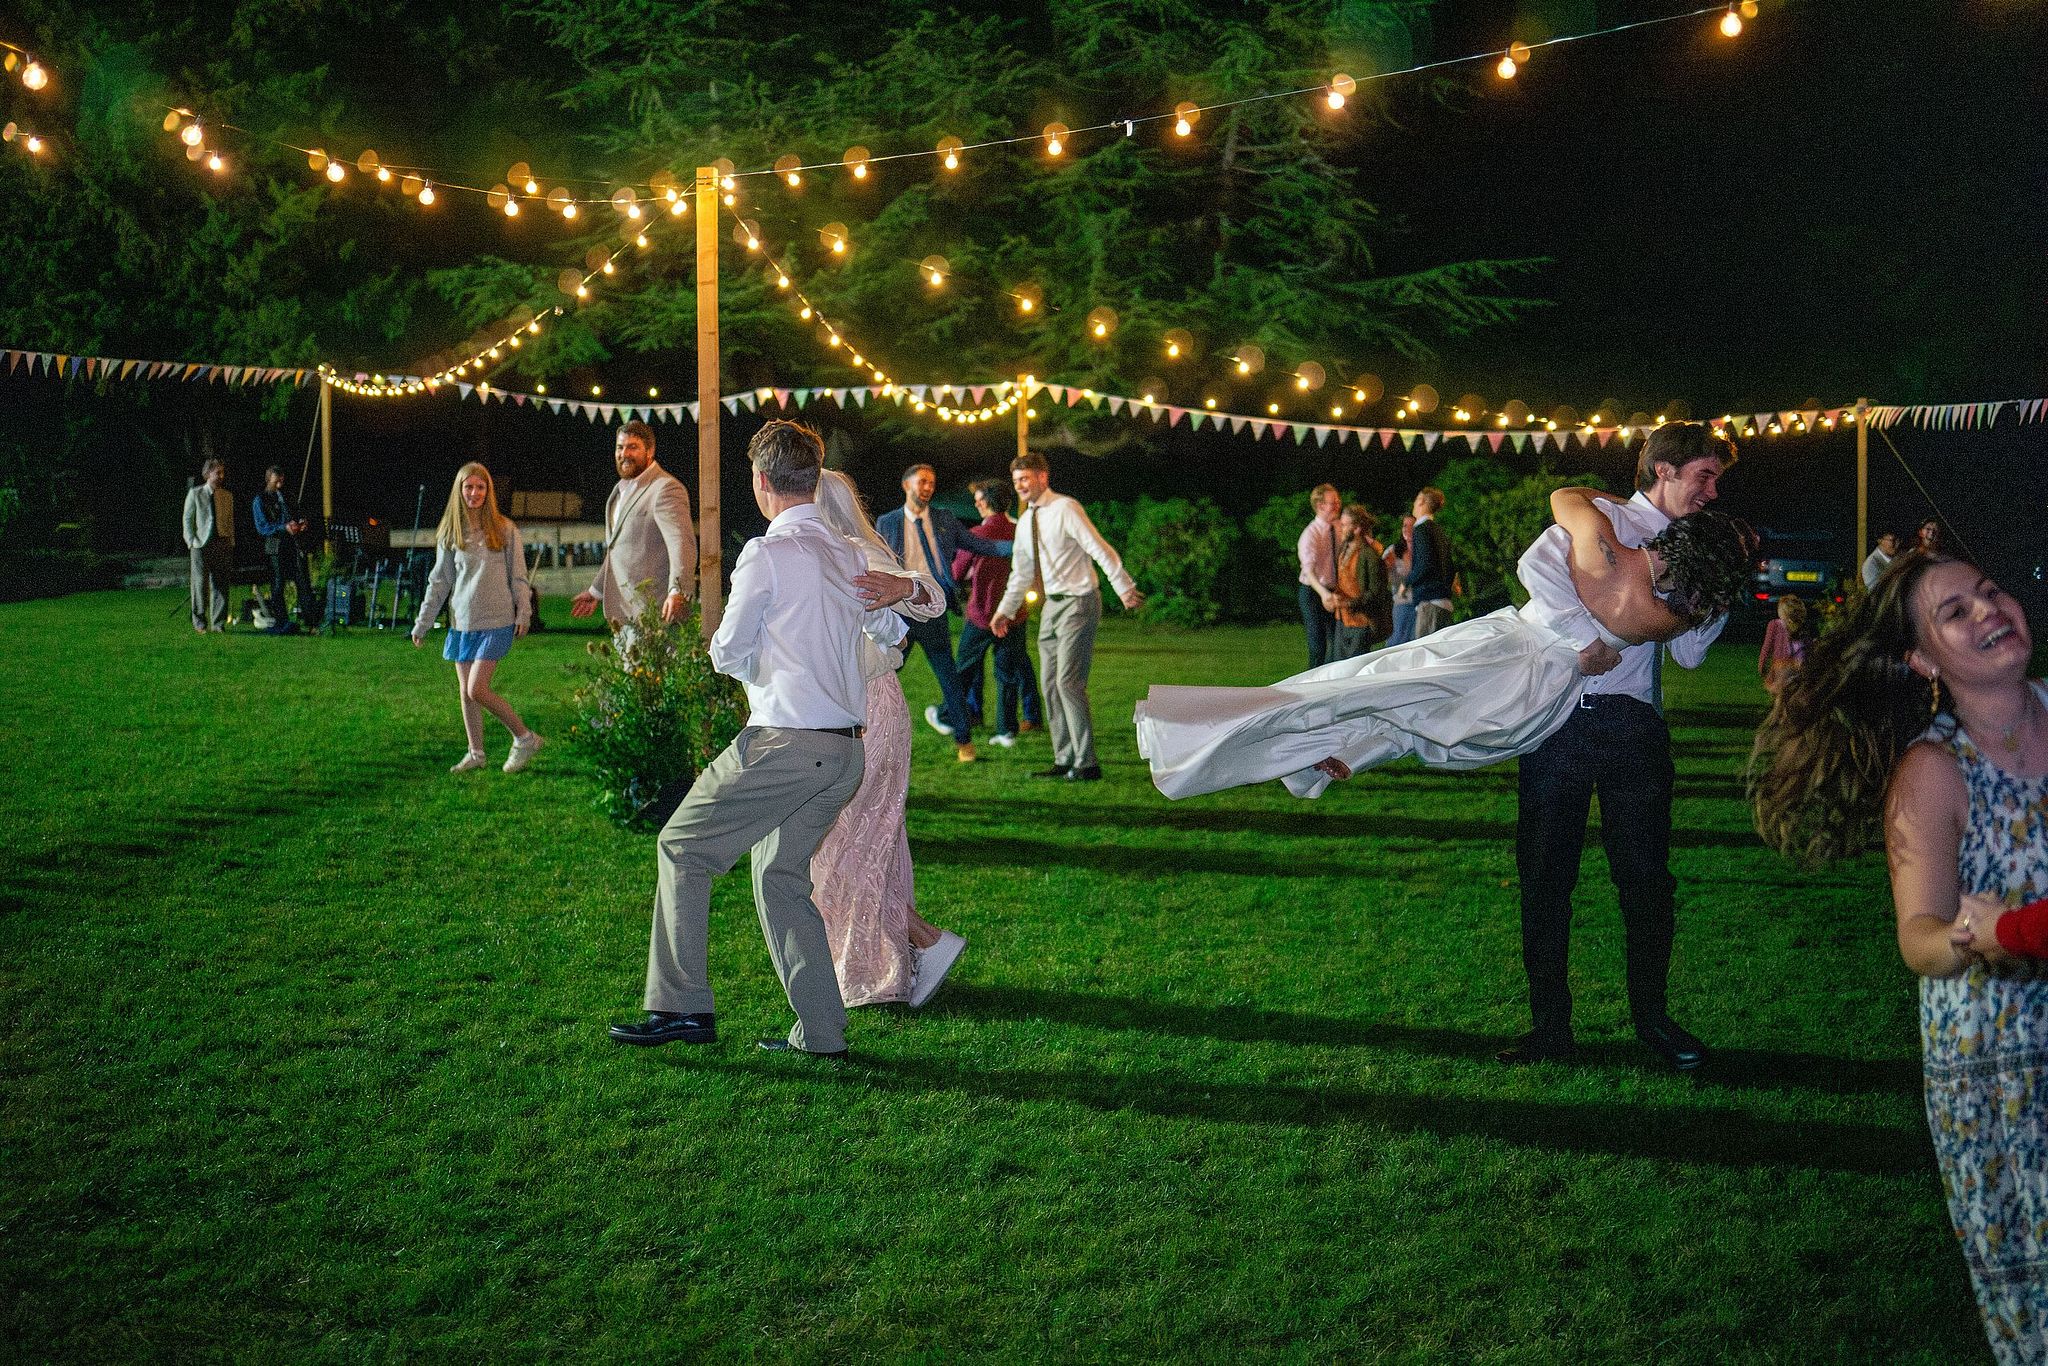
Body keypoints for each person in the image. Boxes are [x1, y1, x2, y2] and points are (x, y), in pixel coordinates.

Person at [1750, 551, 2048, 1361]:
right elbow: (1918, 936)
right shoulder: (1931, 771)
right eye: (1956, 612)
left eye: (1990, 591)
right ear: (1921, 660)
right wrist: (1971, 936)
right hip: (2004, 1069)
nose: (1989, 610)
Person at [607, 421, 916, 1061]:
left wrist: (765, 663)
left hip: (783, 742)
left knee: (681, 847)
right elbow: (890, 634)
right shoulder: (849, 554)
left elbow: (727, 651)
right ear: (813, 478)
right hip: (845, 752)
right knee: (780, 878)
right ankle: (822, 1033)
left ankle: (680, 1008)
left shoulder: (766, 553)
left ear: (761, 480)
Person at [1134, 487, 1752, 804]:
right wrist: (1587, 641)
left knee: (1404, 696)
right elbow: (1540, 565)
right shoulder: (1652, 589)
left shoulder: (1642, 580)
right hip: (1536, 682)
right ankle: (1331, 748)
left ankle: (1237, 734)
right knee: (1407, 698)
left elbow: (1543, 562)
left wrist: (1702, 610)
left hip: (1527, 669)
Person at [1502, 421, 1738, 1071]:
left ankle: (1653, 1021)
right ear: (1664, 470)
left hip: (1634, 728)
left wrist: (1717, 592)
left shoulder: (1694, 543)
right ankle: (1550, 1027)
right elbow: (1535, 569)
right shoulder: (1603, 519)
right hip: (1558, 722)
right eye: (1704, 476)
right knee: (1545, 877)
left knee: (1646, 881)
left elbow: (1689, 655)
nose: (1713, 492)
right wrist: (1585, 641)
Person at [810, 469, 968, 1009]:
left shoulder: (858, 551)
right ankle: (893, 959)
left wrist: (906, 587)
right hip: (833, 708)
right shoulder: (804, 554)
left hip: (870, 708)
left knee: (851, 839)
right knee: (852, 841)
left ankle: (903, 951)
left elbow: (932, 600)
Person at [990, 451, 1144, 782]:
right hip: (1051, 606)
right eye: (1016, 481)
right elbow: (1021, 572)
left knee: (1067, 681)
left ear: (1042, 477)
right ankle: (1064, 758)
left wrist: (1123, 587)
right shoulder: (1025, 521)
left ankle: (1087, 763)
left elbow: (1098, 548)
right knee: (1049, 684)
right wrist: (1004, 611)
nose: (1020, 486)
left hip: (1079, 601)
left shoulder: (1065, 508)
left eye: (1025, 478)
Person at [410, 462, 542, 775]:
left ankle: (525, 738)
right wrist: (423, 622)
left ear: (488, 491)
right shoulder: (450, 532)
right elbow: (439, 581)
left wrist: (523, 612)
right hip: (462, 622)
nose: (474, 493)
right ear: (459, 490)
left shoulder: (505, 529)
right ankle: (476, 753)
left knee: (477, 689)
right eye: (468, 487)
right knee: (465, 693)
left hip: (496, 621)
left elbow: (519, 577)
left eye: (480, 487)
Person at [877, 463, 1014, 763]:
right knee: (883, 675)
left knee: (950, 678)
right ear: (906, 485)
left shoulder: (944, 520)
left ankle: (965, 743)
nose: (928, 487)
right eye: (922, 482)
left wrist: (1021, 546)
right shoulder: (887, 523)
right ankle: (870, 733)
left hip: (931, 610)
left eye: (932, 483)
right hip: (899, 613)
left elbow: (980, 545)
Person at [570, 421, 697, 637]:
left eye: (633, 447)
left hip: (655, 614)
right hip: (623, 616)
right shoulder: (619, 491)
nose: (624, 454)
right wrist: (596, 591)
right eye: (620, 447)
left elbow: (681, 544)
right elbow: (618, 549)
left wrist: (678, 591)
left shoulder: (665, 489)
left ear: (650, 450)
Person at [951, 478, 1043, 748]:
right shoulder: (1019, 531)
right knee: (1008, 671)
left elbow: (956, 572)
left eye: (978, 500)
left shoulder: (977, 534)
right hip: (1014, 614)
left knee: (965, 666)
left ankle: (953, 714)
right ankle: (1006, 729)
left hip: (982, 612)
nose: (976, 504)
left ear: (986, 502)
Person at [252, 465, 317, 630]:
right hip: (276, 547)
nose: (280, 484)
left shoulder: (288, 496)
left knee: (303, 582)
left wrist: (301, 523)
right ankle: (282, 621)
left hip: (294, 545)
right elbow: (262, 527)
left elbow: (297, 514)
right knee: (278, 584)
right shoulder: (260, 500)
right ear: (268, 480)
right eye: (276, 481)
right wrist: (283, 528)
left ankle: (311, 621)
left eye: (282, 480)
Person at [181, 458, 234, 633]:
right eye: (218, 472)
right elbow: (187, 518)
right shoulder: (195, 493)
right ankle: (199, 621)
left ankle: (218, 623)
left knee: (221, 584)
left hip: (221, 543)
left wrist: (230, 541)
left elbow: (230, 521)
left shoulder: (227, 496)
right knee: (199, 584)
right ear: (208, 474)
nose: (221, 476)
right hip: (201, 544)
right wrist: (191, 541)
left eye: (222, 472)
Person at [1331, 503, 1390, 661]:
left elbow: (1376, 593)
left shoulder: (1369, 556)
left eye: (1344, 525)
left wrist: (1349, 604)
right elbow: (1342, 581)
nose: (1341, 528)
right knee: (1338, 667)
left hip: (1361, 623)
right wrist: (1335, 596)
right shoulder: (1343, 551)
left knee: (1355, 668)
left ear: (1356, 529)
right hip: (1342, 620)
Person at [1296, 484, 1343, 668]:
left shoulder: (1339, 527)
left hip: (1333, 590)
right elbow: (1309, 571)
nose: (1338, 505)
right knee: (1318, 645)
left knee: (1337, 643)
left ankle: (1331, 680)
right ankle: (1313, 681)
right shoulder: (1310, 534)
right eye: (1333, 502)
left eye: (1338, 501)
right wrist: (1324, 594)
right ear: (1320, 505)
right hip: (1313, 592)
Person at [1404, 487, 1455, 639]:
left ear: (1421, 501)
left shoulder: (1421, 530)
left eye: (1416, 499)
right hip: (1444, 602)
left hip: (1429, 603)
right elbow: (1451, 567)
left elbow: (1424, 565)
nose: (1414, 504)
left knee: (1425, 649)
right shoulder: (1439, 531)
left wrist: (1405, 583)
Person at [1757, 595, 1810, 694]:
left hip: (1782, 665)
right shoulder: (1802, 626)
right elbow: (1807, 646)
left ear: (1782, 611)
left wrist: (1762, 662)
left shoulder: (1774, 624)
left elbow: (1767, 646)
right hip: (1799, 664)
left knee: (1781, 693)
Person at [1384, 514, 1417, 648]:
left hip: (1421, 602)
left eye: (1411, 526)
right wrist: (1387, 566)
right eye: (1404, 525)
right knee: (1397, 642)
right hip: (1402, 602)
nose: (1407, 529)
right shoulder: (1393, 551)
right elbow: (1382, 578)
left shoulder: (1423, 550)